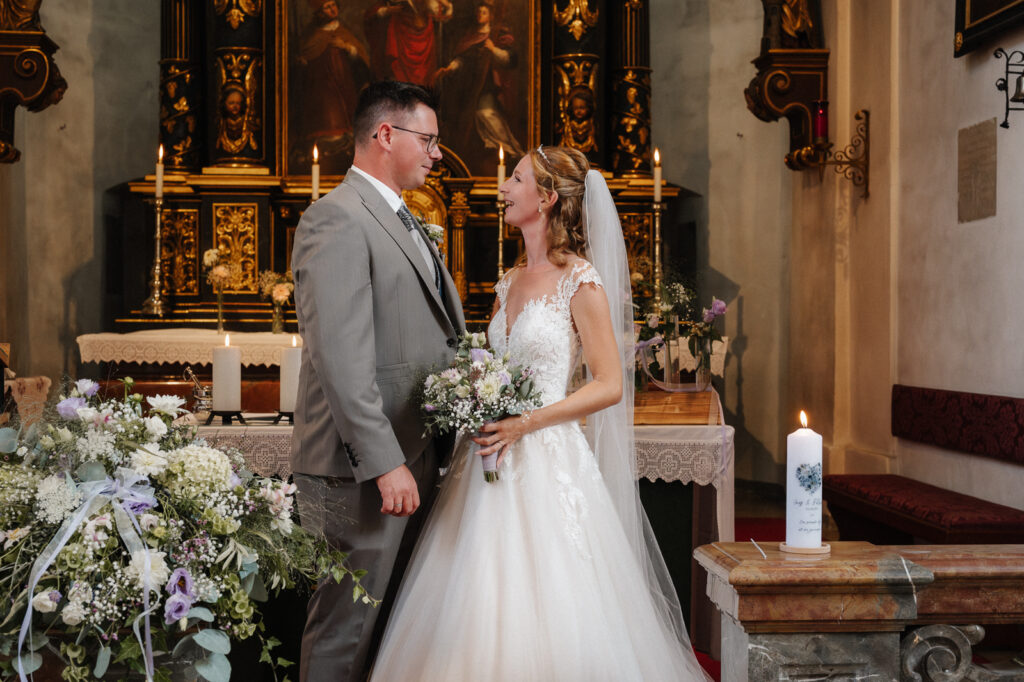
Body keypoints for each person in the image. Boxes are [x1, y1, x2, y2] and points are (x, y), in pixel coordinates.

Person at [369, 145, 710, 680]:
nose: (504, 186)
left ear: (547, 199)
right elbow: (497, 365)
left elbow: (610, 385)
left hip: (547, 456)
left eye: (518, 178)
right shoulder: (508, 281)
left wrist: (526, 422)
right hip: (487, 458)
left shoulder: (582, 281)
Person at [290, 80, 466, 682]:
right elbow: (341, 358)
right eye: (429, 140)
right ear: (386, 135)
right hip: (359, 471)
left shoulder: (401, 216)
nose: (437, 154)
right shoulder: (335, 219)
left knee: (390, 629)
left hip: (408, 454)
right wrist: (385, 461)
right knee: (345, 627)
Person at [436, 0, 524, 170]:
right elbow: (463, 58)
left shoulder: (498, 34)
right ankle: (494, 147)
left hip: (489, 84)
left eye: (483, 12)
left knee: (486, 113)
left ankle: (512, 150)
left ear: (490, 15)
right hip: (470, 86)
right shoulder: (470, 35)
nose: (479, 15)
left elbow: (510, 60)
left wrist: (493, 50)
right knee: (470, 121)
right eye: (478, 12)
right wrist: (450, 68)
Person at [295, 0, 372, 172]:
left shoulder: (343, 31)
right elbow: (305, 56)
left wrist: (347, 48)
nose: (332, 10)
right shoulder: (313, 35)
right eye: (327, 8)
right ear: (320, 12)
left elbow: (360, 56)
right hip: (322, 85)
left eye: (333, 6)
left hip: (344, 82)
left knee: (347, 110)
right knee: (329, 113)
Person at [364, 0, 453, 85]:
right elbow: (372, 15)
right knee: (399, 79)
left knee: (423, 82)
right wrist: (387, 11)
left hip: (424, 41)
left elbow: (441, 14)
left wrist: (447, 6)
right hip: (401, 38)